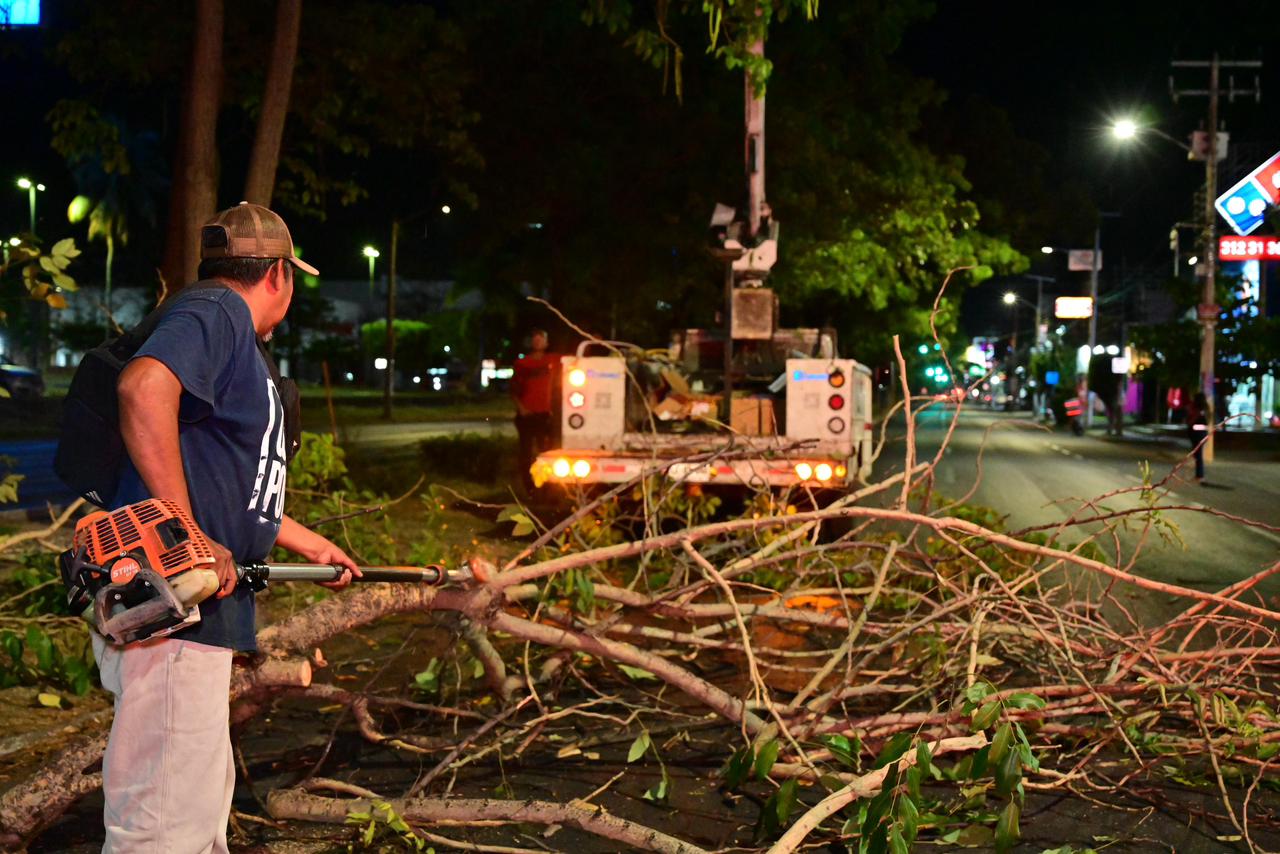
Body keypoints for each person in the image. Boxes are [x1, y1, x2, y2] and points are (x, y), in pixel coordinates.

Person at [96, 202, 361, 852]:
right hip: (173, 610)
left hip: (201, 620)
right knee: (161, 830)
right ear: (277, 274)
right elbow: (141, 390)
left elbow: (226, 479)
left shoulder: (232, 334)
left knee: (195, 822)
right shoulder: (217, 311)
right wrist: (186, 533)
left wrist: (305, 540)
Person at [510, 328, 556, 491]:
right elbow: (514, 390)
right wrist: (522, 409)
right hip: (527, 415)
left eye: (541, 339)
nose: (537, 342)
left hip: (545, 415)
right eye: (535, 339)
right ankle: (528, 485)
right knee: (526, 452)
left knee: (546, 452)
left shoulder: (553, 361)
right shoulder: (522, 364)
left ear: (547, 342)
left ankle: (547, 485)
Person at [1186, 391, 1208, 483]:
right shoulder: (1205, 408)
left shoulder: (1197, 409)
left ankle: (1199, 475)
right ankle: (1198, 475)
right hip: (1202, 432)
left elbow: (1191, 421)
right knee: (1197, 454)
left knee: (1197, 455)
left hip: (1196, 433)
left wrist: (1189, 422)